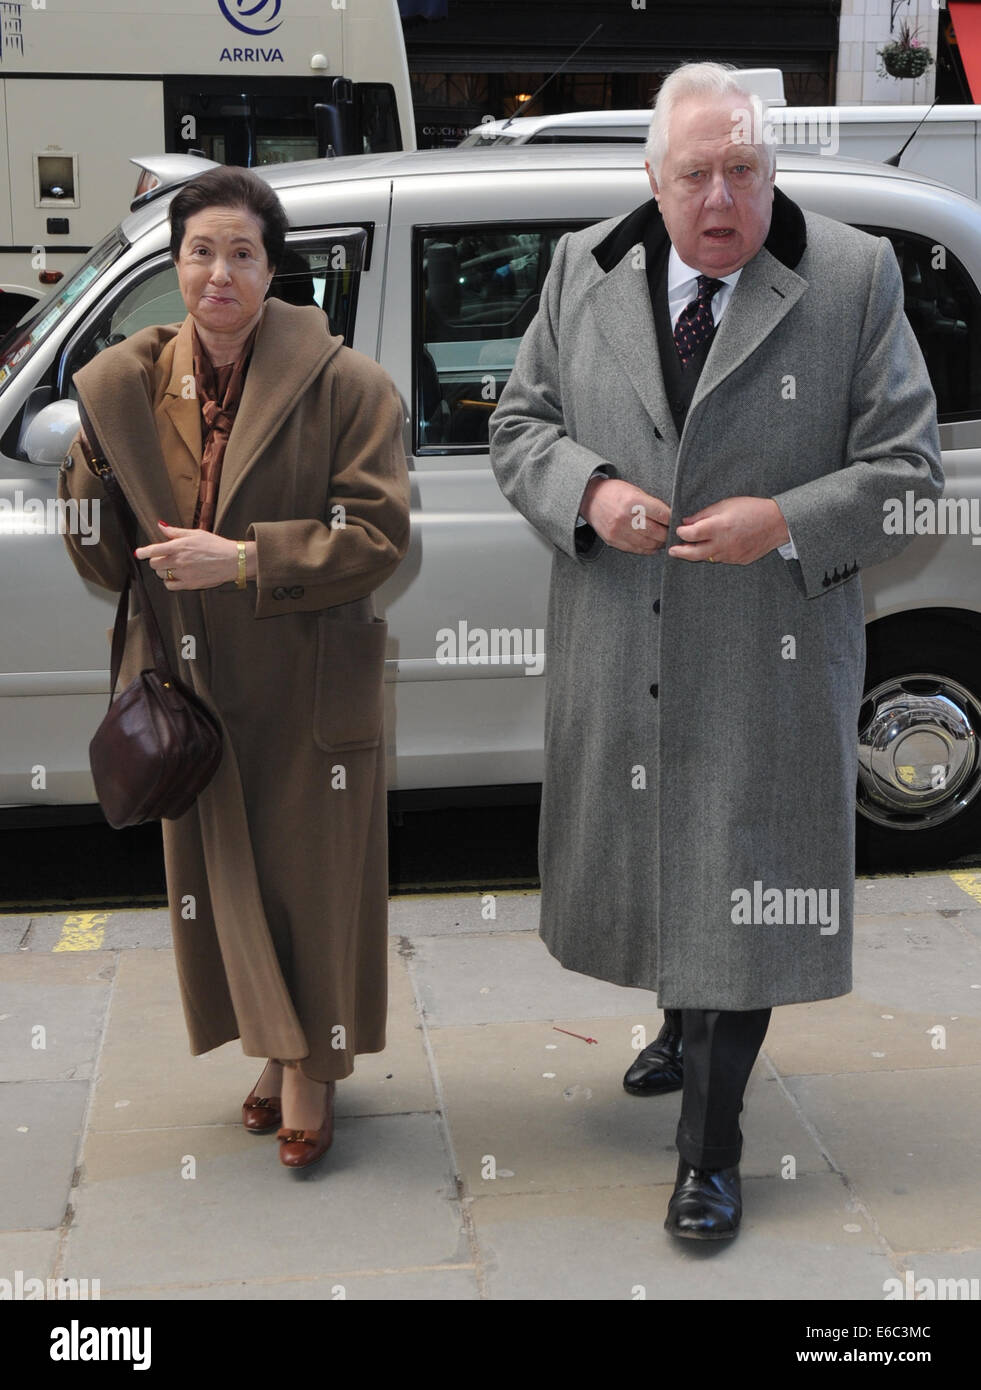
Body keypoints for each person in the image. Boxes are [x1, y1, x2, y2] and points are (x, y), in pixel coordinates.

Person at [488, 62, 943, 1239]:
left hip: (767, 654)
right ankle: (676, 1022)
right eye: (696, 173)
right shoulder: (581, 267)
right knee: (658, 857)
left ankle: (712, 1152)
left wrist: (785, 521)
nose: (721, 197)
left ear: (772, 169)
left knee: (742, 891)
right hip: (622, 646)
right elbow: (519, 421)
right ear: (655, 178)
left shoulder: (853, 277)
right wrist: (587, 491)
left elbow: (910, 475)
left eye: (744, 169)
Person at [58, 165, 411, 1170]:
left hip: (305, 680)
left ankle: (313, 1070)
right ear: (176, 265)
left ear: (272, 268)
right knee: (224, 885)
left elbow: (380, 535)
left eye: (242, 253)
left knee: (312, 883)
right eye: (202, 251)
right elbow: (98, 553)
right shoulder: (134, 380)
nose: (221, 272)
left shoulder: (348, 383)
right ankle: (272, 1051)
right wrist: (88, 457)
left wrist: (249, 558)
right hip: (191, 682)